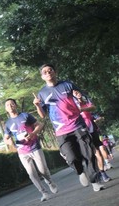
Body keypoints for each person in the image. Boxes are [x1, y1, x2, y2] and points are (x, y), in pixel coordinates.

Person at [33, 64, 104, 192]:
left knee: (89, 153)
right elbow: (43, 115)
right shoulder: (42, 93)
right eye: (45, 72)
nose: (48, 73)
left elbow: (83, 101)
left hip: (78, 125)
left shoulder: (68, 85)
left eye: (50, 70)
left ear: (55, 72)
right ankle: (80, 171)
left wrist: (80, 97)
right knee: (71, 158)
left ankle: (95, 181)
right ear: (42, 76)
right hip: (61, 131)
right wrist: (38, 106)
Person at [3, 99, 58, 201]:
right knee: (32, 174)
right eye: (7, 105)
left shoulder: (25, 116)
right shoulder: (8, 123)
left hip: (34, 147)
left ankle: (50, 182)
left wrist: (32, 134)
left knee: (43, 170)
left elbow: (39, 125)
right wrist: (9, 142)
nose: (10, 106)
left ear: (15, 105)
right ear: (6, 109)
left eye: (12, 104)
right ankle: (44, 193)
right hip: (22, 151)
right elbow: (6, 138)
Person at [72, 90, 111, 183]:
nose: (76, 93)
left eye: (77, 91)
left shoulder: (85, 100)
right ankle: (100, 173)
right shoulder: (71, 103)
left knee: (101, 151)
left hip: (93, 130)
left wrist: (82, 107)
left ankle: (102, 171)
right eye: (74, 92)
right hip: (83, 132)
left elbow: (93, 107)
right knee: (96, 155)